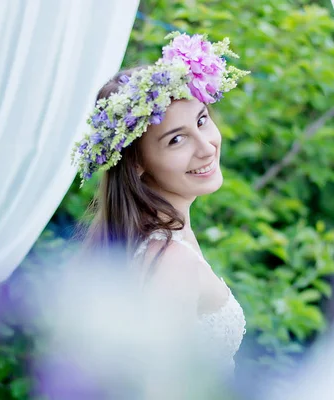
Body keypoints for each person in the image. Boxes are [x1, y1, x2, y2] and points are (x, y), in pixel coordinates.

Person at [71, 32, 249, 375]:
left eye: (202, 120)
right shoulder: (170, 261)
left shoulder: (164, 237)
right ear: (137, 164)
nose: (206, 146)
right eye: (177, 139)